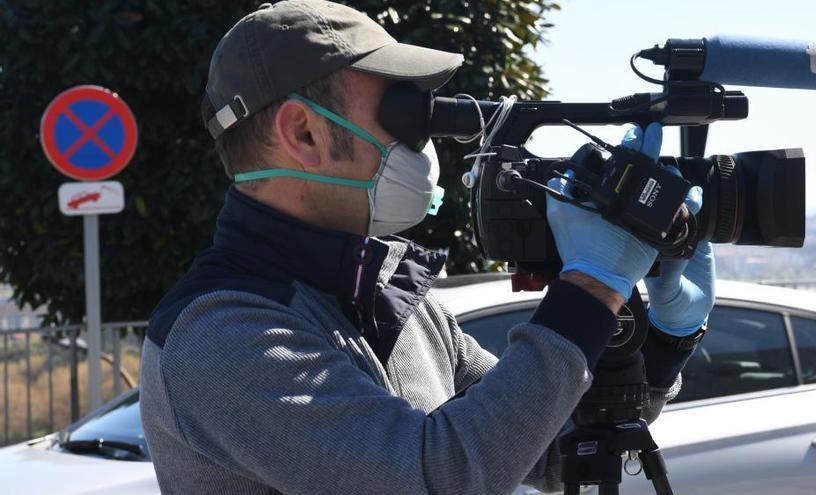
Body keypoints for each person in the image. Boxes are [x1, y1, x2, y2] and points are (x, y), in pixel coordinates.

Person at [139, 1, 715, 494]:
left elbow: (553, 442)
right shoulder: (220, 333)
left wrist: (666, 339)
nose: (426, 145)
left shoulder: (394, 300)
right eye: (405, 113)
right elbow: (434, 479)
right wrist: (591, 287)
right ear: (303, 134)